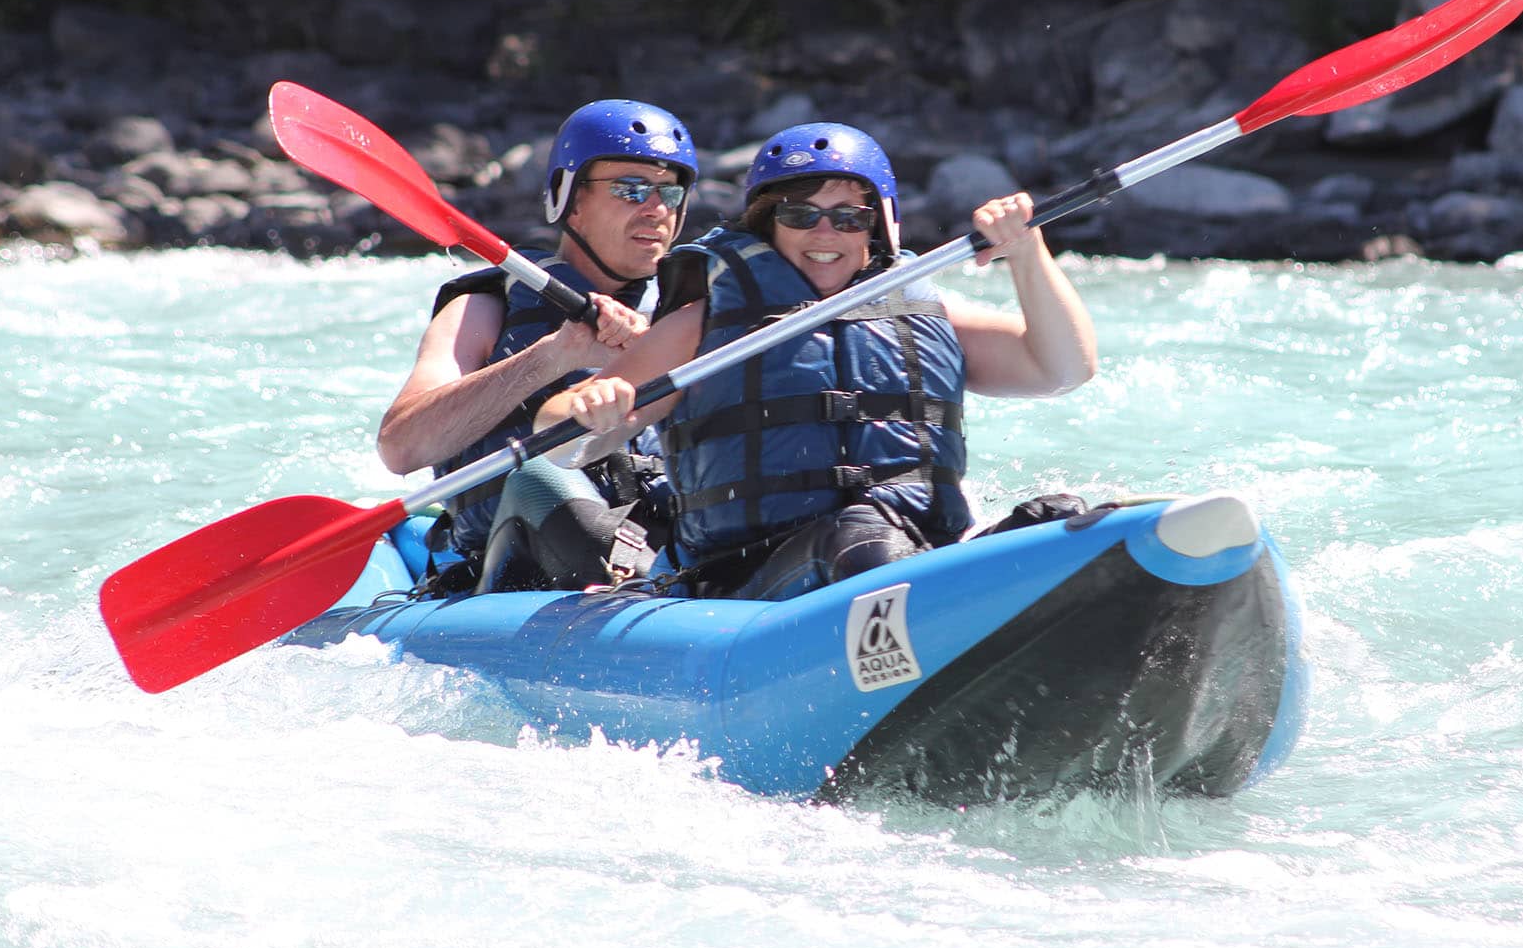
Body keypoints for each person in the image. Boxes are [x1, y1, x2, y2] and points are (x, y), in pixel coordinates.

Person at [532, 121, 1098, 600]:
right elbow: (559, 440)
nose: (825, 233)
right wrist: (591, 407)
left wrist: (1027, 252)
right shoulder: (701, 325)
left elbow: (1063, 368)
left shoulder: (926, 313)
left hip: (912, 556)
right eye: (801, 215)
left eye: (848, 218)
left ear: (876, 227)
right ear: (768, 225)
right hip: (749, 578)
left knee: (1058, 519)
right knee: (863, 536)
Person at [375, 99, 699, 593]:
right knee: (542, 477)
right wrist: (554, 356)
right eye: (630, 189)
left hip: (659, 549)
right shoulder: (483, 308)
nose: (656, 209)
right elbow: (401, 447)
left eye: (670, 193)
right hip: (515, 558)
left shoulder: (687, 316)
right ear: (571, 199)